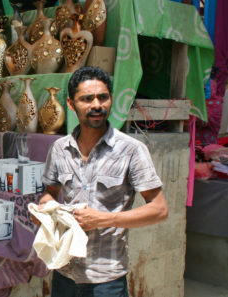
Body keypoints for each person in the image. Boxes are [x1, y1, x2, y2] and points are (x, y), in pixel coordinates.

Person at [33, 66, 168, 297]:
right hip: (63, 272)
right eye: (87, 99)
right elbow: (51, 191)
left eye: (102, 97)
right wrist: (44, 209)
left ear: (110, 100)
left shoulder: (131, 150)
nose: (96, 105)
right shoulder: (59, 149)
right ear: (71, 104)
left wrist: (105, 219)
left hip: (106, 280)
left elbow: (159, 209)